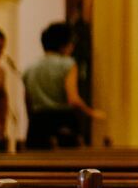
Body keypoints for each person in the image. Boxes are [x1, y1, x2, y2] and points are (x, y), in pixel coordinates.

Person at [22, 20, 105, 150]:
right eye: (71, 43)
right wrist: (91, 113)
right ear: (64, 45)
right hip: (63, 120)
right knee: (69, 164)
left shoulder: (29, 68)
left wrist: (33, 119)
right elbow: (73, 99)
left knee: (36, 164)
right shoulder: (67, 64)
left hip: (37, 123)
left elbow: (27, 101)